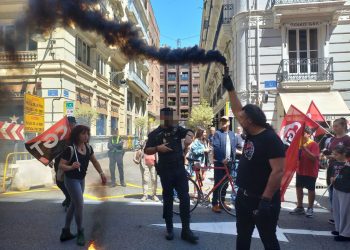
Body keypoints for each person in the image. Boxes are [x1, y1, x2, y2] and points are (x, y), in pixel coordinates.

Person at [223, 73, 285, 250]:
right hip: (244, 198)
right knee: (242, 237)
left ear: (250, 121)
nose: (238, 118)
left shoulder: (271, 139)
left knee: (268, 240)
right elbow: (237, 110)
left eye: (242, 118)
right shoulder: (251, 133)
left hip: (263, 201)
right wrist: (230, 88)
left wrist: (265, 201)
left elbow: (278, 171)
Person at [144, 107, 198, 244]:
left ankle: (186, 230)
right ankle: (169, 229)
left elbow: (190, 131)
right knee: (167, 199)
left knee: (184, 199)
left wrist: (189, 136)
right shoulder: (155, 133)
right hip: (166, 171)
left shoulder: (177, 129)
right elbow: (147, 150)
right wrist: (158, 148)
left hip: (179, 170)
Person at [59, 125, 107, 246]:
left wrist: (101, 173)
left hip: (81, 179)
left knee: (73, 205)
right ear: (77, 135)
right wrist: (71, 166)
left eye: (87, 133)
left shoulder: (88, 148)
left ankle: (65, 231)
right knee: (79, 204)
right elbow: (61, 165)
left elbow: (95, 161)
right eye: (83, 133)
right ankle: (80, 231)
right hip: (71, 180)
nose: (86, 136)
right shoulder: (70, 149)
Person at [324, 118, 350, 224]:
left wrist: (332, 156)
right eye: (333, 126)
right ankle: (336, 216)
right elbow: (332, 151)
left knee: (341, 193)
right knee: (332, 192)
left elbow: (346, 154)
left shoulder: (347, 139)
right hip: (332, 167)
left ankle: (342, 219)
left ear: (343, 126)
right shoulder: (333, 139)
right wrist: (326, 153)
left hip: (342, 169)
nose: (333, 128)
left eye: (336, 126)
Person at [289, 126, 320, 218]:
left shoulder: (313, 144)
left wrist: (304, 149)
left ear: (309, 134)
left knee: (311, 189)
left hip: (310, 171)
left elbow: (314, 158)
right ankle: (300, 207)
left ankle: (310, 208)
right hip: (300, 170)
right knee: (299, 188)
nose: (301, 136)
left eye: (303, 134)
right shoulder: (298, 143)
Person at [211, 116, 236, 213]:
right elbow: (216, 147)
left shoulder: (232, 134)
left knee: (225, 184)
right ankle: (214, 204)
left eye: (225, 121)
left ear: (229, 122)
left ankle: (222, 202)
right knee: (218, 183)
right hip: (220, 163)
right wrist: (222, 159)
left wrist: (233, 159)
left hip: (229, 163)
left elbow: (234, 148)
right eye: (222, 121)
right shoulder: (218, 133)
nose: (224, 123)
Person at [53, 116, 77, 210]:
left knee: (68, 182)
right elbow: (53, 147)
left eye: (73, 123)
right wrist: (50, 159)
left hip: (70, 162)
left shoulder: (75, 135)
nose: (73, 125)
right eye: (71, 123)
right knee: (59, 182)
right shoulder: (60, 134)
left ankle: (70, 201)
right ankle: (68, 197)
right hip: (59, 161)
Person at [332, 147, 350, 241]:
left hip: (346, 189)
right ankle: (339, 229)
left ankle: (346, 233)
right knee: (338, 210)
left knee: (345, 211)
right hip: (338, 187)